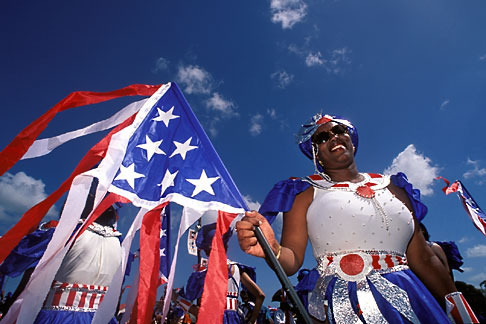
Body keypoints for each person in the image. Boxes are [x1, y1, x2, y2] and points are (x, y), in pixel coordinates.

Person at [236, 113, 479, 323]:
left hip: (411, 298)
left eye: (339, 130)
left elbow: (422, 258)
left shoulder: (396, 186)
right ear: (316, 155)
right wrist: (272, 248)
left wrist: (459, 311)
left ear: (350, 138)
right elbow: (290, 261)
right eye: (322, 138)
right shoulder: (304, 192)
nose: (333, 137)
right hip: (344, 303)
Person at [172, 223, 265, 324]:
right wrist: (251, 320)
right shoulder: (237, 268)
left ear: (207, 251)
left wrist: (177, 299)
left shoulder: (205, 275)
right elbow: (260, 296)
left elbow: (199, 312)